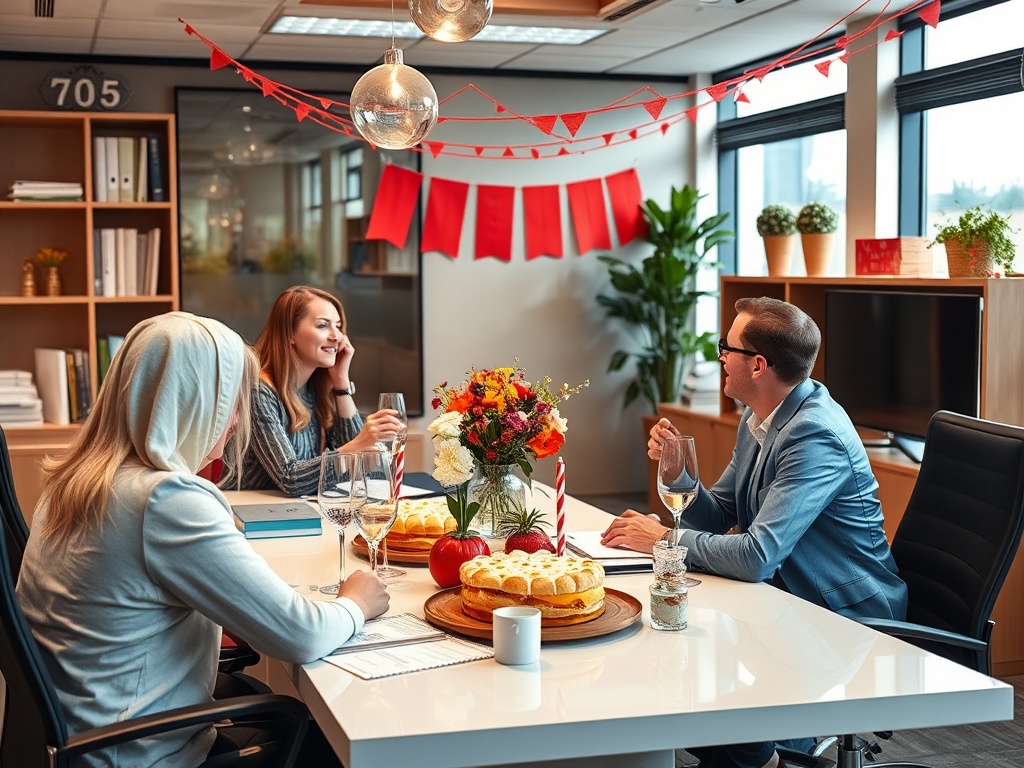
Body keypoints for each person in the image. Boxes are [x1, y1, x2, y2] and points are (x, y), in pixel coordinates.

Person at [17, 311, 390, 768]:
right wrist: (358, 601)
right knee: (339, 742)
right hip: (139, 753)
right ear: (192, 400)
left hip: (84, 737)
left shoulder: (77, 479)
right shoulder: (163, 500)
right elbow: (302, 635)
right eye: (230, 401)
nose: (236, 420)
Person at [602, 296, 908, 768]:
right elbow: (721, 512)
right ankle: (767, 755)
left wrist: (663, 540)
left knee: (707, 706)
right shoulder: (760, 416)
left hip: (843, 613)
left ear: (759, 365)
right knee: (685, 695)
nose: (721, 357)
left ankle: (775, 759)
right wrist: (678, 468)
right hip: (785, 597)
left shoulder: (814, 435)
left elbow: (757, 556)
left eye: (727, 348)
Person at [219, 285, 405, 496]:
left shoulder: (315, 390)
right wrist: (359, 444)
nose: (337, 337)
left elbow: (358, 471)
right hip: (245, 509)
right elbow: (291, 480)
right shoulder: (259, 392)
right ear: (289, 333)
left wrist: (342, 384)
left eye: (338, 327)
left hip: (293, 509)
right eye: (323, 325)